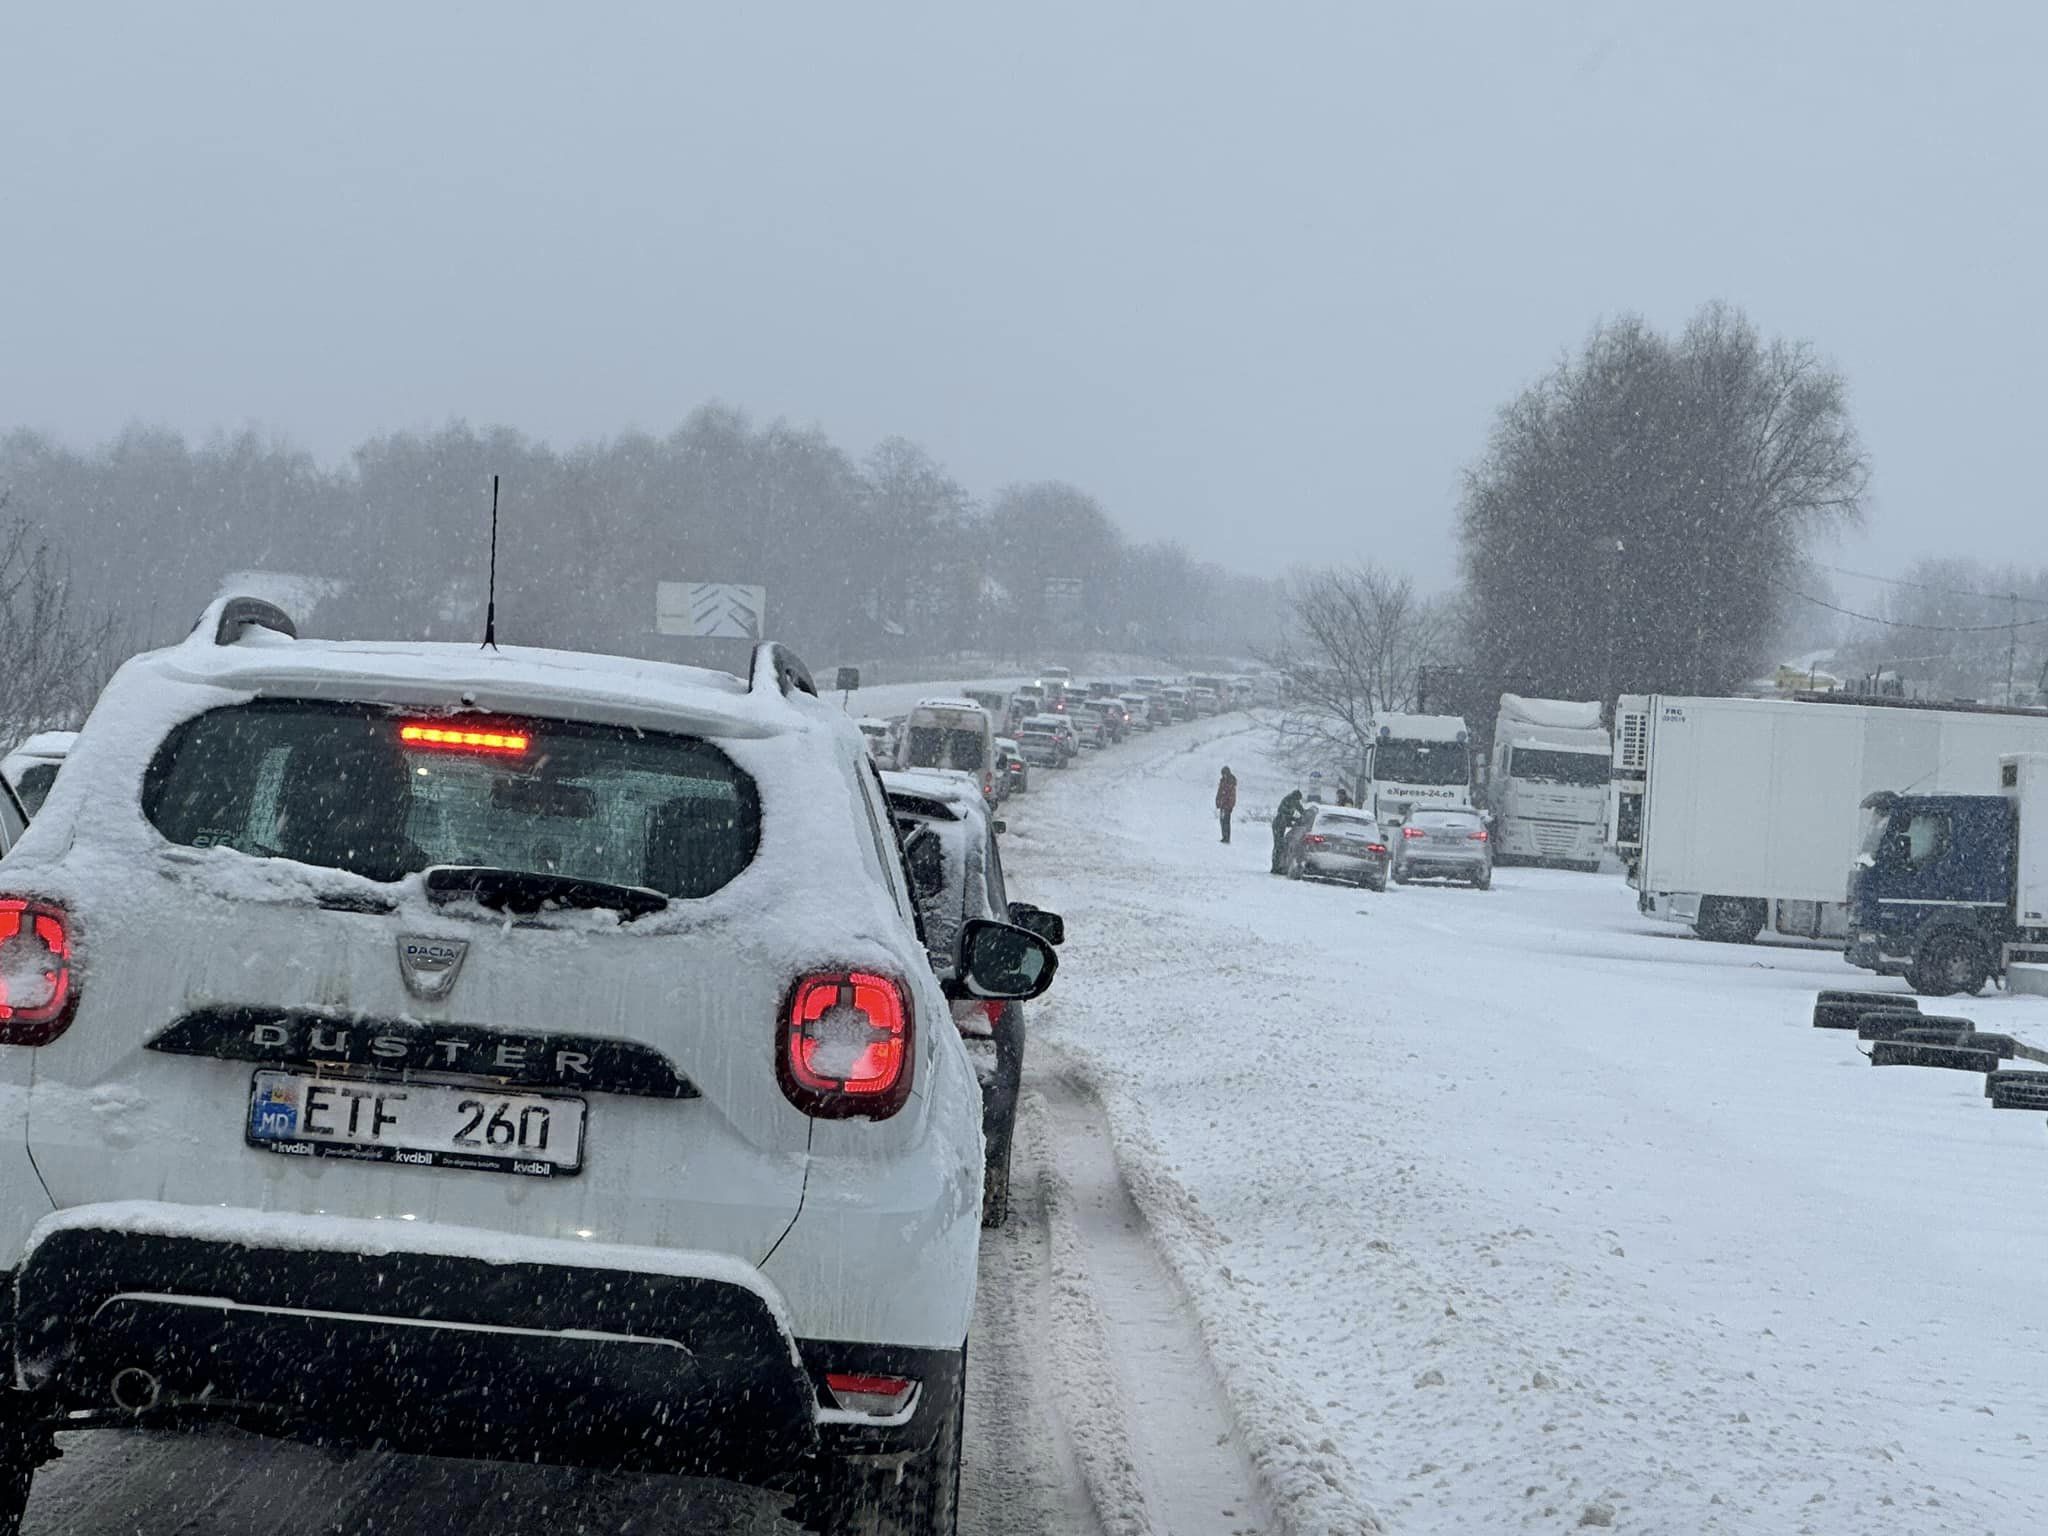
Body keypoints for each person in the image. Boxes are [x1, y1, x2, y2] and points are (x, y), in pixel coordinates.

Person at [1271, 787, 1305, 873]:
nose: (1298, 801)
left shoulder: (1295, 801)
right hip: (1278, 824)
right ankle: (1275, 867)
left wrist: (1304, 814)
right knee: (1278, 846)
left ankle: (1278, 866)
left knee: (1281, 846)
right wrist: (1292, 815)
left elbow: (1301, 810)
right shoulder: (1287, 799)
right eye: (1297, 799)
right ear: (1295, 796)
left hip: (1283, 824)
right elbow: (1281, 810)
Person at [1214, 766, 1237, 843]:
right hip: (1222, 805)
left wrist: (1230, 805)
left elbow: (1232, 795)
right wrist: (1217, 801)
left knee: (1226, 822)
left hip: (1227, 805)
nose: (1223, 775)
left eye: (1224, 773)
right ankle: (1224, 836)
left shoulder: (1231, 782)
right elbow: (1219, 792)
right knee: (1222, 821)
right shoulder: (1223, 781)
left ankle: (1227, 838)